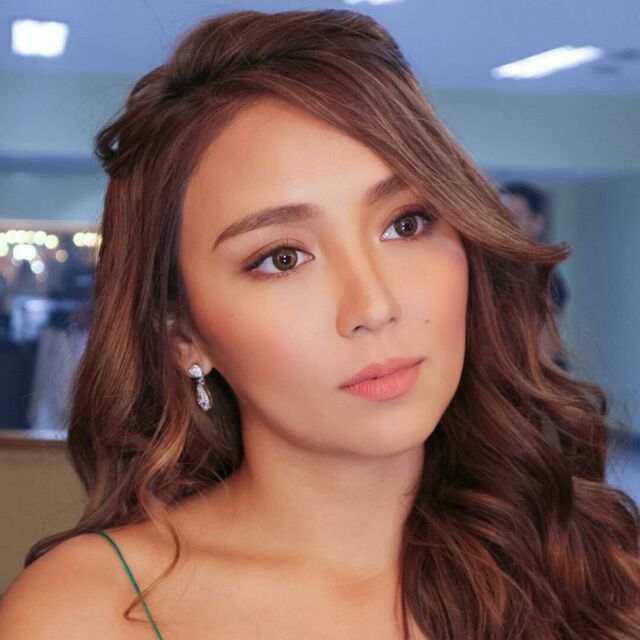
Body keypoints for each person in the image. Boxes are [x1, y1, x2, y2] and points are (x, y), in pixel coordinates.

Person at [1, 9, 638, 640]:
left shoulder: (594, 565)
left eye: (406, 224)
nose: (374, 307)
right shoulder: (83, 614)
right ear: (184, 335)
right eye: (283, 258)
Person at [500, 182, 571, 371]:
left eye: (513, 217)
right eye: (498, 216)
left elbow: (543, 346)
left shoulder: (544, 276)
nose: (503, 225)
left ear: (537, 222)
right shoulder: (487, 269)